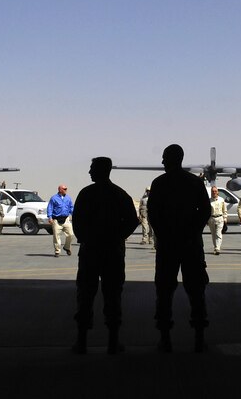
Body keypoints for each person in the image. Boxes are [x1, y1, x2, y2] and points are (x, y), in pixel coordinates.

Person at [71, 157, 140, 354]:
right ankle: (112, 342)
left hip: (90, 252)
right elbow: (132, 221)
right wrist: (118, 237)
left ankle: (82, 341)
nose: (89, 172)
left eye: (92, 168)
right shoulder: (120, 194)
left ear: (102, 170)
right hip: (113, 252)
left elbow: (77, 222)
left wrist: (86, 238)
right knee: (113, 295)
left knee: (85, 294)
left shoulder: (86, 194)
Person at [148, 144, 211, 353]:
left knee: (164, 290)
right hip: (191, 244)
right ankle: (199, 337)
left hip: (168, 246)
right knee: (196, 290)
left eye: (165, 158)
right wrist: (193, 232)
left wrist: (164, 234)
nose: (163, 162)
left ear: (172, 159)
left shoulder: (159, 183)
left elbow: (153, 214)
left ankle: (165, 338)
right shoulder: (195, 182)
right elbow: (204, 211)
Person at [47, 183, 75, 257]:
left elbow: (71, 208)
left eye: (66, 189)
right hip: (56, 220)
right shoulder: (53, 198)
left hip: (66, 219)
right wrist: (50, 217)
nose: (66, 190)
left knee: (70, 235)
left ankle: (66, 247)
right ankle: (57, 251)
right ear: (60, 189)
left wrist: (75, 215)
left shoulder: (68, 198)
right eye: (64, 189)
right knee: (56, 236)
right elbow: (50, 208)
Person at [207, 186, 227, 255]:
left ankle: (217, 248)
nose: (214, 192)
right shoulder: (209, 201)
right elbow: (207, 211)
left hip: (219, 218)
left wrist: (225, 218)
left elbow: (224, 209)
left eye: (215, 191)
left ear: (217, 192)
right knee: (213, 234)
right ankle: (215, 246)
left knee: (218, 233)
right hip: (211, 219)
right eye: (213, 191)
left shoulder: (221, 200)